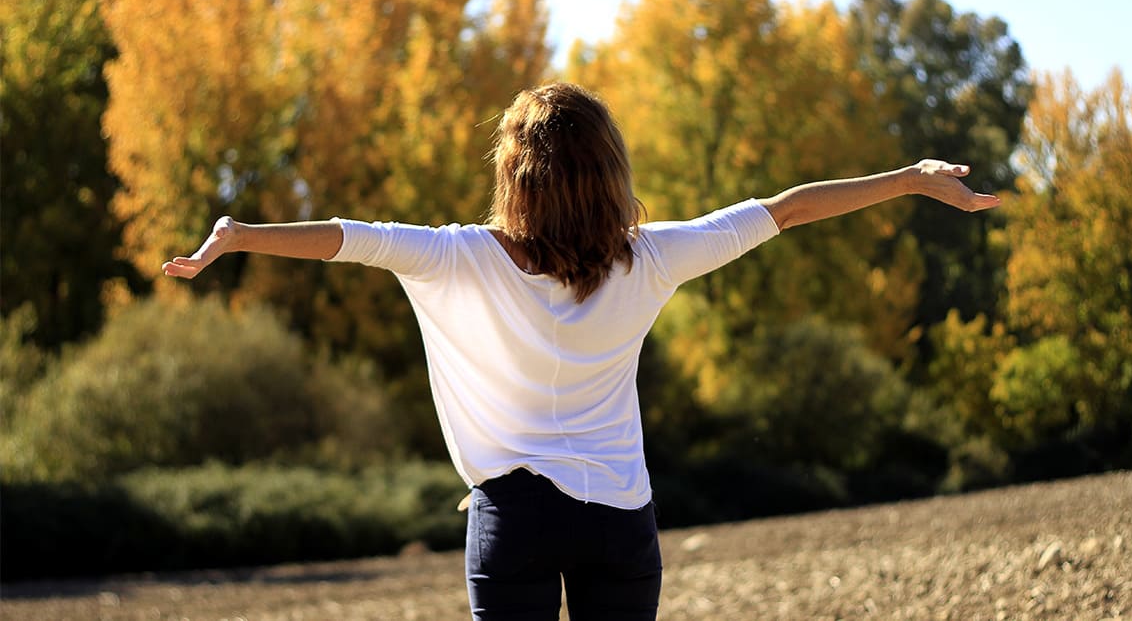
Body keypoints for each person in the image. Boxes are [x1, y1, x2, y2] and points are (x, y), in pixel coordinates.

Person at [163, 82, 1000, 620]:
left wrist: (237, 236)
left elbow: (348, 238)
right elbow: (781, 211)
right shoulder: (653, 258)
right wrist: (909, 176)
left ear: (513, 177)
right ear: (609, 172)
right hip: (619, 521)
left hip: (514, 522)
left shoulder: (459, 256)